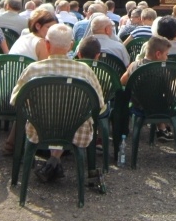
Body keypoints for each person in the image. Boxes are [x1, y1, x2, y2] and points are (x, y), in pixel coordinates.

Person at [10, 24, 105, 182]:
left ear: (47, 44)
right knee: (72, 117)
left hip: (39, 129)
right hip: (75, 131)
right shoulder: (85, 71)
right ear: (71, 46)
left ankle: (52, 163)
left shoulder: (33, 69)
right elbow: (98, 104)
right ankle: (54, 161)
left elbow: (15, 101)